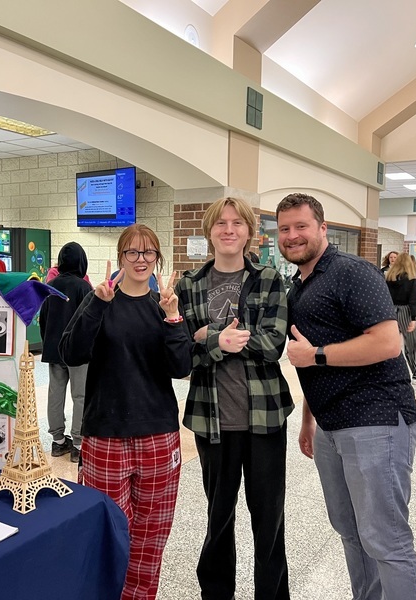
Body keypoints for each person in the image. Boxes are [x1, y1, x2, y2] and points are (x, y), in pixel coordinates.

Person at [278, 192, 416, 600]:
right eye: (284, 229)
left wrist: (317, 354)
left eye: (301, 226)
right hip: (330, 425)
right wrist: (308, 420)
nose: (292, 235)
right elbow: (309, 360)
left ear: (323, 228)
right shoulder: (299, 286)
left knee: (386, 539)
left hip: (375, 420)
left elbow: (388, 343)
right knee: (350, 530)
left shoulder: (351, 272)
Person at [60, 224, 191, 599]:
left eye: (148, 252)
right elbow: (71, 353)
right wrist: (97, 305)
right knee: (108, 531)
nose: (140, 259)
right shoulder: (100, 298)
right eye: (132, 252)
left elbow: (181, 366)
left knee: (150, 539)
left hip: (158, 436)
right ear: (120, 257)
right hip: (106, 435)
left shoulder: (164, 305)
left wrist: (173, 317)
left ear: (157, 258)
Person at [174, 196, 293, 600]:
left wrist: (210, 336)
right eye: (220, 223)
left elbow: (274, 345)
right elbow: (183, 355)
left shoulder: (269, 279)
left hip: (265, 418)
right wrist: (215, 343)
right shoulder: (189, 285)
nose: (228, 230)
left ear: (249, 232)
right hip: (212, 420)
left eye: (237, 223)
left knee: (269, 521)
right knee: (218, 519)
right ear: (209, 232)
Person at [39, 242, 92, 463]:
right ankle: (78, 444)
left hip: (54, 348)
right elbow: (90, 321)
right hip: (78, 351)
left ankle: (58, 441)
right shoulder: (83, 287)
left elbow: (43, 320)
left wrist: (48, 344)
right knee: (80, 396)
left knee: (55, 393)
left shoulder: (50, 286)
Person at [386, 252, 416, 385]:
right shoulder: (411, 279)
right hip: (405, 312)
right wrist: (413, 318)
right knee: (411, 345)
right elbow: (413, 300)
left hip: (390, 311)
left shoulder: (389, 278)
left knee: (390, 344)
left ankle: (389, 374)